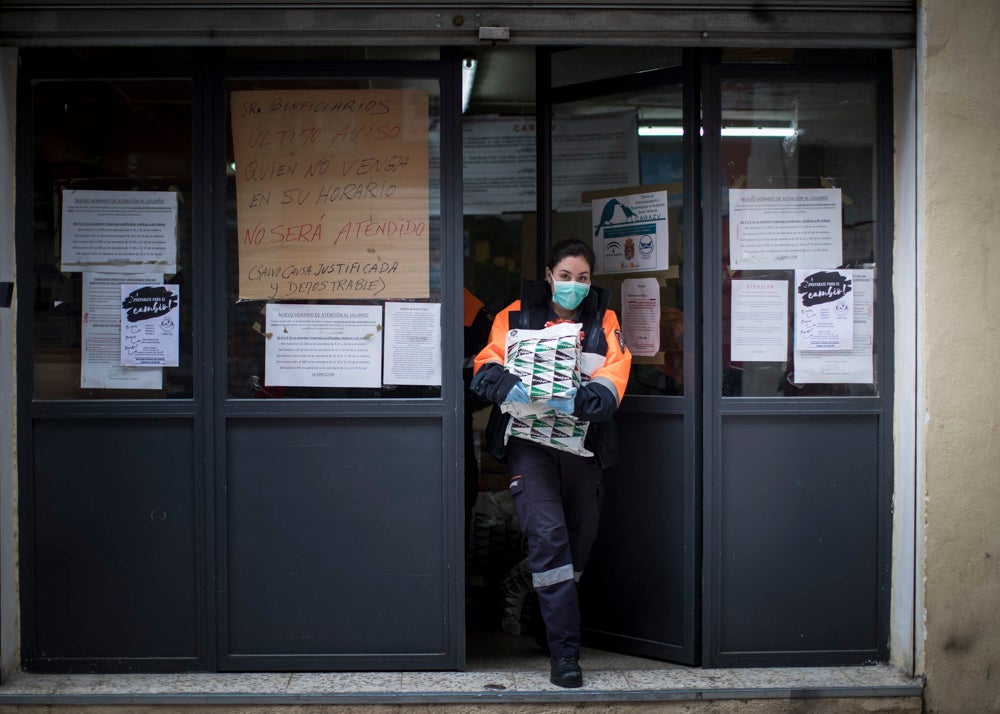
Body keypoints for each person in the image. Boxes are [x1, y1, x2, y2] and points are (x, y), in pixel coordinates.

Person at [469, 238, 631, 688]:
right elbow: (486, 363)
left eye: (582, 279)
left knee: (579, 544)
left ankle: (546, 623)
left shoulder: (605, 320)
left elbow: (615, 376)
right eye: (565, 277)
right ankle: (565, 652)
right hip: (530, 445)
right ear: (549, 276)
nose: (573, 286)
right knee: (548, 536)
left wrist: (583, 398)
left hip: (583, 446)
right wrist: (502, 384)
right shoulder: (515, 316)